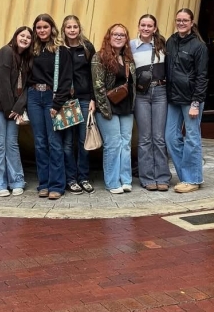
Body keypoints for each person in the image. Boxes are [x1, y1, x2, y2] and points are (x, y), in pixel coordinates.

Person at [26, 13, 72, 200]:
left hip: (52, 98)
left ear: (52, 28)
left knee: (54, 143)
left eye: (45, 27)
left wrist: (57, 102)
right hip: (34, 97)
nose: (42, 30)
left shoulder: (62, 51)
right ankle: (43, 184)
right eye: (38, 27)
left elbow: (66, 79)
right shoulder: (32, 50)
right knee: (39, 142)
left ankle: (57, 185)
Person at [0, 26, 32, 197]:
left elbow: (27, 86)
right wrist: (9, 109)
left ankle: (17, 180)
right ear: (15, 35)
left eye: (28, 37)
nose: (25, 38)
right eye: (22, 35)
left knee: (11, 144)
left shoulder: (26, 59)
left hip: (12, 108)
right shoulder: (5, 52)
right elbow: (2, 84)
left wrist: (18, 107)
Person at [165, 7, 209, 193]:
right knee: (170, 137)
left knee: (192, 138)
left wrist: (195, 103)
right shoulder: (171, 42)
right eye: (179, 20)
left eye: (185, 20)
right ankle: (185, 175)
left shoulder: (199, 46)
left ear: (191, 23)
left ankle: (193, 179)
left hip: (191, 99)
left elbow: (202, 76)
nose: (181, 23)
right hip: (173, 98)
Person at [91, 24, 137, 195]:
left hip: (126, 107)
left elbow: (131, 83)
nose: (118, 37)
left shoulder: (127, 58)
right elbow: (98, 86)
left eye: (122, 35)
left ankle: (126, 180)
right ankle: (112, 182)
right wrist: (104, 110)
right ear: (109, 37)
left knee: (125, 144)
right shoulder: (99, 57)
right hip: (108, 108)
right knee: (113, 144)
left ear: (126, 39)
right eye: (115, 34)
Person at [131, 14, 170, 191]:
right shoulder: (131, 46)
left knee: (159, 137)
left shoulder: (162, 45)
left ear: (155, 28)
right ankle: (147, 178)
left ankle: (162, 176)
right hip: (141, 94)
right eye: (143, 25)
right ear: (138, 26)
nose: (146, 28)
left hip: (161, 91)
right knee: (145, 138)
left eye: (150, 26)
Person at [60, 14, 96, 194]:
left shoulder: (87, 48)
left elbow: (93, 75)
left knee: (83, 141)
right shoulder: (59, 48)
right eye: (69, 27)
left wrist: (93, 99)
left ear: (79, 29)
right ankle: (71, 179)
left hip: (83, 99)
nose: (72, 30)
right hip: (65, 100)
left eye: (75, 27)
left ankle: (83, 177)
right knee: (67, 143)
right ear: (63, 29)